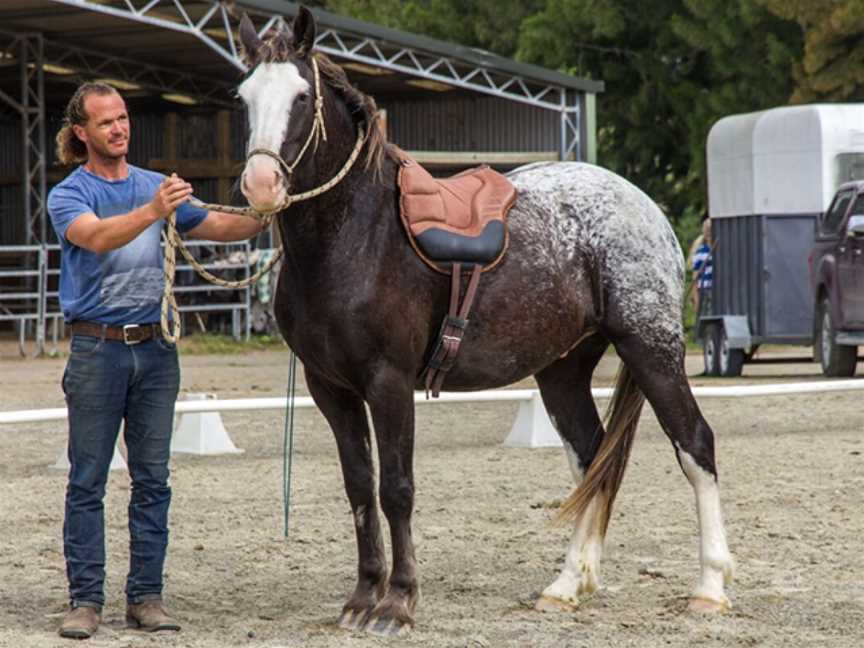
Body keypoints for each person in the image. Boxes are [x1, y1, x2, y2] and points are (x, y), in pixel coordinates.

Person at [48, 82, 264, 640]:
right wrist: (153, 209)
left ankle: (146, 596)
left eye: (122, 119)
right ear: (82, 133)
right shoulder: (72, 194)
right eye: (105, 123)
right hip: (96, 351)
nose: (119, 129)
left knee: (153, 481)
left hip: (155, 349)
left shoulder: (157, 187)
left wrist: (268, 213)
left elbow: (217, 224)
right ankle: (85, 600)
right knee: (87, 482)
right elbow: (95, 239)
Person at [690, 218, 713, 316]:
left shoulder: (721, 249)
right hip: (705, 290)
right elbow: (695, 277)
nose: (708, 232)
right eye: (706, 229)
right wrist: (696, 298)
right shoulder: (701, 251)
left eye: (710, 229)